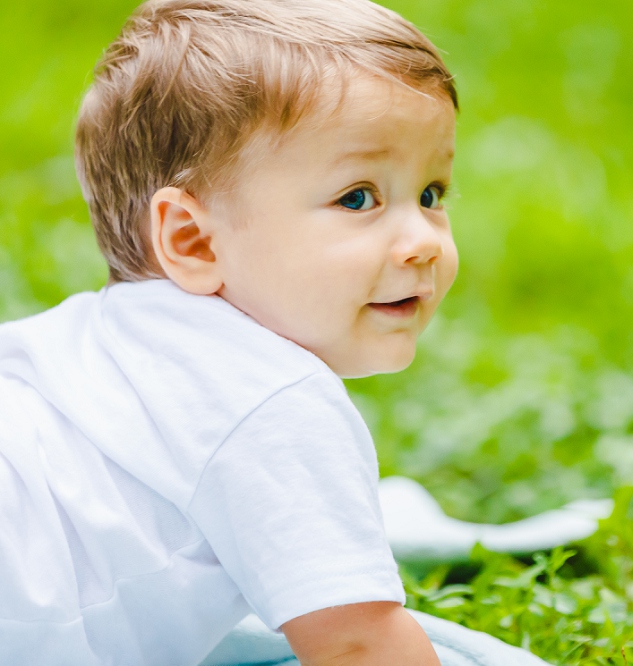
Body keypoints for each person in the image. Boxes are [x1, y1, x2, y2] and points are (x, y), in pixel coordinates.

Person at [0, 1, 546, 664]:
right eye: (358, 197)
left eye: (432, 194)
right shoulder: (276, 403)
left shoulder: (90, 338)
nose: (422, 242)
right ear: (193, 239)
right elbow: (355, 644)